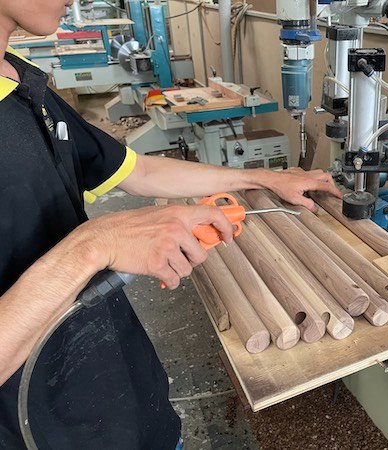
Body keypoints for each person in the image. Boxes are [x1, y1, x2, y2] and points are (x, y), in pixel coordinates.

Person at [0, 1, 342, 447]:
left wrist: (258, 176)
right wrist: (93, 244)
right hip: (42, 427)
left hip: (125, 393)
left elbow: (136, 171)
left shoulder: (20, 81)